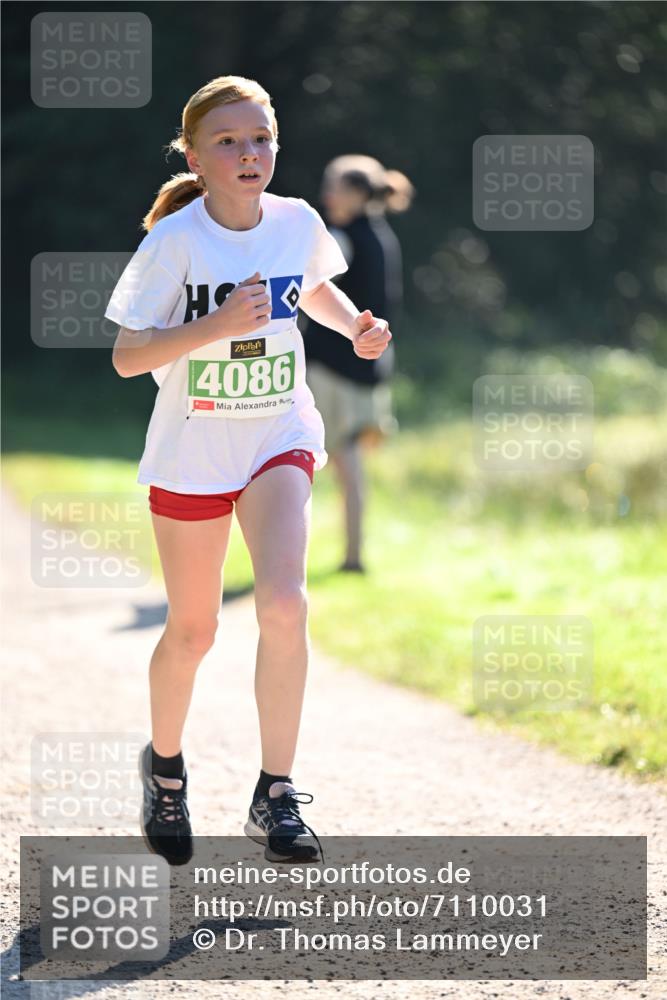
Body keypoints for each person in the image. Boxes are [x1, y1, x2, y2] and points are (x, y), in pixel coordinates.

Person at [104, 76, 392, 867]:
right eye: (228, 141)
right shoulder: (174, 243)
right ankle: (165, 771)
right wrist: (215, 324)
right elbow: (128, 358)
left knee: (284, 605)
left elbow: (318, 292)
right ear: (194, 157)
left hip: (276, 432)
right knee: (194, 629)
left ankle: (275, 793)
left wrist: (357, 328)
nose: (248, 153)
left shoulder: (296, 220)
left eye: (259, 138)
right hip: (194, 448)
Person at [303, 155, 414, 573]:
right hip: (370, 369)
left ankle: (297, 555)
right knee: (349, 460)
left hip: (331, 368)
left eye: (335, 186)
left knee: (306, 461)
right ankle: (353, 555)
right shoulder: (382, 237)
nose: (326, 194)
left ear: (358, 194)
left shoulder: (340, 240)